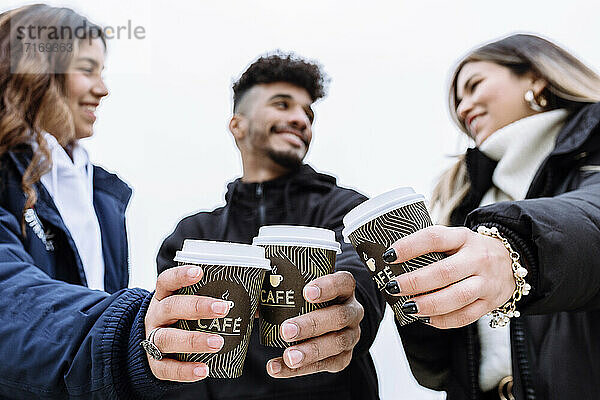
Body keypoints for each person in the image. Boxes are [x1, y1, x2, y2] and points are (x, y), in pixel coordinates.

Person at [0, 5, 238, 398]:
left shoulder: (102, 199)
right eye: (88, 69)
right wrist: (128, 332)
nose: (103, 88)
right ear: (37, 69)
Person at [382, 34, 600, 399]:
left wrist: (514, 250)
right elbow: (437, 372)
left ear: (535, 77)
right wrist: (418, 306)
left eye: (474, 85)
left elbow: (591, 216)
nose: (464, 107)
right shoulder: (462, 204)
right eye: (457, 102)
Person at [156, 53, 385, 400]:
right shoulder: (193, 235)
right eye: (283, 105)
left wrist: (350, 308)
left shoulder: (346, 208)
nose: (300, 119)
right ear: (238, 125)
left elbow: (360, 282)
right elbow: (176, 355)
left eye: (308, 114)